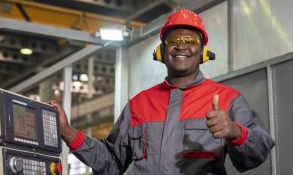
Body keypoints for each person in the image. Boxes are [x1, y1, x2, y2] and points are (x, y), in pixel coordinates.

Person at [49, 9, 275, 175]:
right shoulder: (139, 104)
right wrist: (67, 131)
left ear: (203, 52)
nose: (181, 46)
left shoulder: (227, 99)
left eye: (190, 40)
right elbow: (110, 162)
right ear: (161, 51)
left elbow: (256, 156)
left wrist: (236, 132)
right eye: (173, 40)